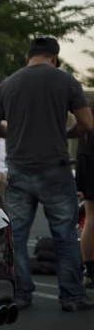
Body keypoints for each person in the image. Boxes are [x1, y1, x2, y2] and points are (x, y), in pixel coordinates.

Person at [0, 37, 94, 312]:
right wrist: (64, 133)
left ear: (28, 58)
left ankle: (22, 295)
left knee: (17, 237)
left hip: (19, 170)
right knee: (66, 235)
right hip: (55, 170)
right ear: (54, 58)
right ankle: (71, 297)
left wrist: (16, 134)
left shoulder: (8, 84)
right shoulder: (66, 81)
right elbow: (87, 124)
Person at [76, 101, 94, 288]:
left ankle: (89, 270)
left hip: (87, 156)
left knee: (91, 218)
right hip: (89, 157)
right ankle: (89, 269)